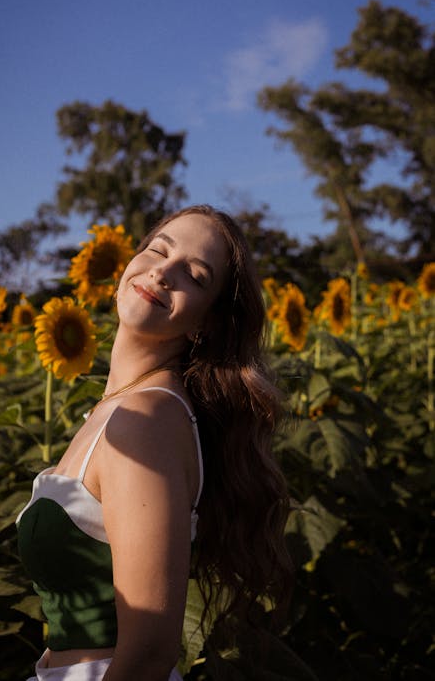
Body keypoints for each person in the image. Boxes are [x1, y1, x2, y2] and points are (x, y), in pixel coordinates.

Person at [16, 205, 292, 681]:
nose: (164, 272)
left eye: (195, 275)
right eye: (158, 250)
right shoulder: (119, 409)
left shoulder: (147, 417)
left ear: (205, 323)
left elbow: (148, 654)